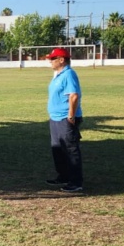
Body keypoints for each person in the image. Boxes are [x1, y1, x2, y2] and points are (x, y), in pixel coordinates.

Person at [44, 47, 84, 192]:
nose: (50, 62)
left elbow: (73, 95)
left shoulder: (69, 74)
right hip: (55, 118)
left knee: (70, 150)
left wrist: (71, 116)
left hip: (65, 119)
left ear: (62, 60)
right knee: (57, 149)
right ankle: (64, 176)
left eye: (53, 59)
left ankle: (76, 182)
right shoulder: (58, 75)